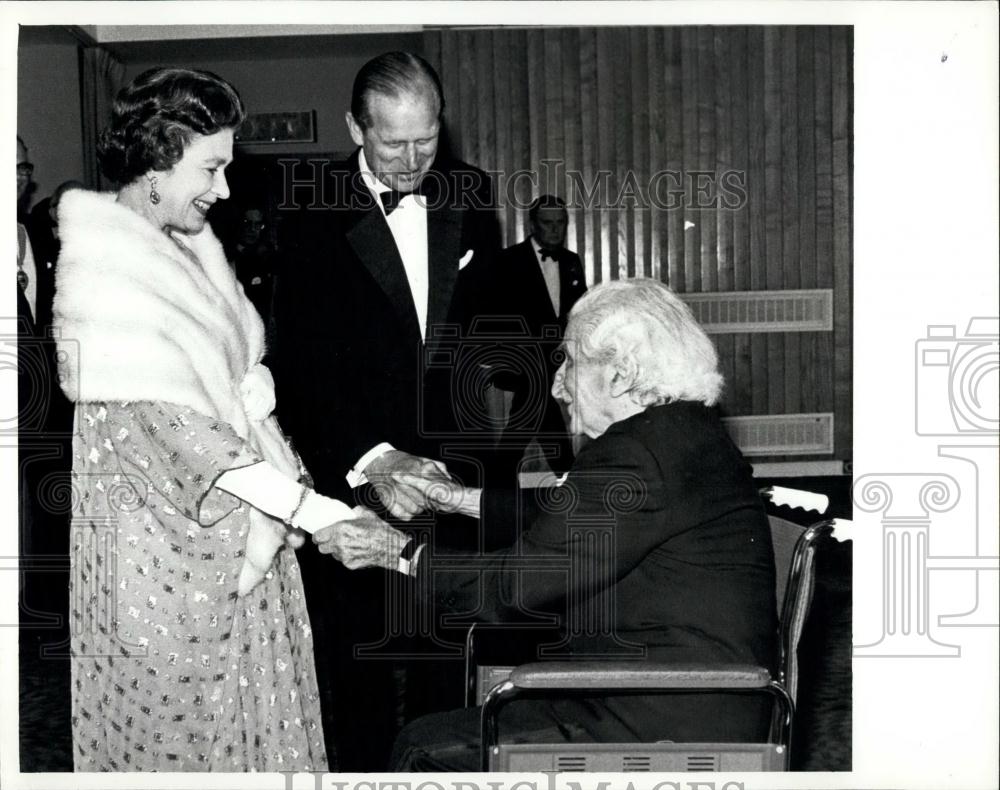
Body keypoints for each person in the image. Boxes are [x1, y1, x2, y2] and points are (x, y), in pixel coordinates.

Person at [51, 66, 407, 772]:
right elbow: (199, 446)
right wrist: (323, 514)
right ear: (157, 159)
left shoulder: (186, 249)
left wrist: (268, 401)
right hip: (167, 575)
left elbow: (243, 396)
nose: (224, 189)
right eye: (210, 167)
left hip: (242, 551)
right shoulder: (104, 281)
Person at [312, 278, 778, 771]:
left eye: (570, 362)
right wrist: (458, 500)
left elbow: (511, 590)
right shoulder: (685, 431)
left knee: (423, 746)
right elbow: (582, 518)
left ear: (621, 373)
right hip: (684, 697)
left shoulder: (636, 453)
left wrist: (398, 553)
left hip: (658, 722)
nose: (557, 386)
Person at [272, 51, 500, 769]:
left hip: (453, 466)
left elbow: (485, 334)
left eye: (426, 139)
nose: (411, 159)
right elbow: (300, 365)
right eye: (392, 142)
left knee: (449, 651)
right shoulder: (307, 207)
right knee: (361, 665)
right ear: (354, 128)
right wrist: (374, 457)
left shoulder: (470, 192)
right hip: (357, 468)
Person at [478, 194, 587, 484]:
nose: (555, 230)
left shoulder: (571, 262)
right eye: (547, 223)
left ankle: (499, 481)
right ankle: (567, 474)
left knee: (533, 406)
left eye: (560, 223)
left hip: (554, 361)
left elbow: (577, 313)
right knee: (537, 394)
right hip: (516, 361)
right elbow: (490, 315)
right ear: (533, 224)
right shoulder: (507, 261)